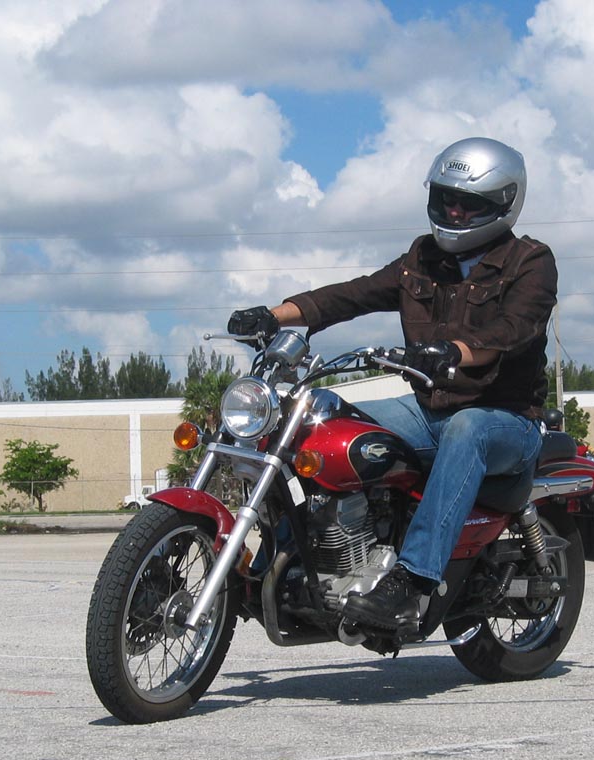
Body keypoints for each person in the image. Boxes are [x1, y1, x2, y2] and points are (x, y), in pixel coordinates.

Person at [227, 137, 557, 634]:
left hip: (506, 418)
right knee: (317, 410)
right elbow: (351, 295)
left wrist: (455, 351)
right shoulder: (423, 258)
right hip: (427, 409)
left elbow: (514, 329)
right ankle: (296, 555)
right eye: (446, 198)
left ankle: (411, 580)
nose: (455, 211)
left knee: (467, 428)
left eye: (470, 203)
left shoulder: (530, 261)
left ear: (503, 203)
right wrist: (273, 315)